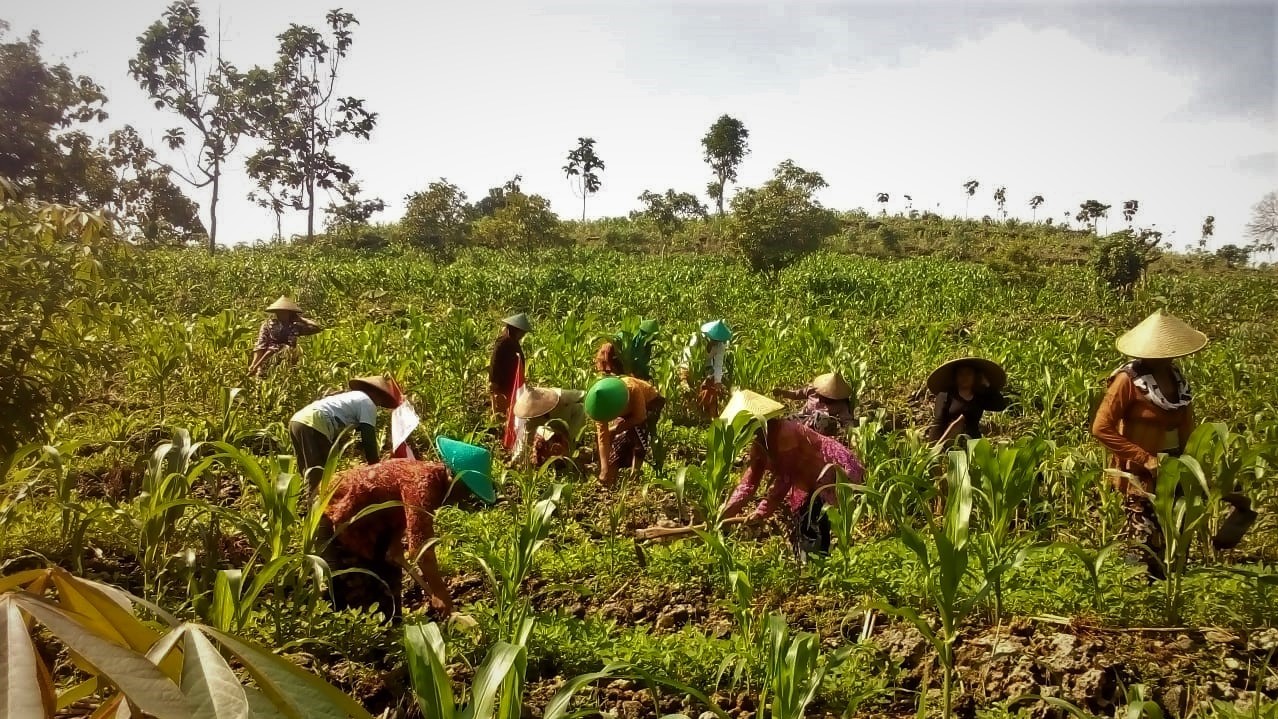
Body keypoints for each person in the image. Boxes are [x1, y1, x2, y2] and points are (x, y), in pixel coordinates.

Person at [322, 438, 496, 620]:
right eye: (465, 491)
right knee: (353, 595)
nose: (463, 499)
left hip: (371, 524)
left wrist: (395, 541)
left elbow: (398, 506)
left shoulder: (431, 479)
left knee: (389, 587)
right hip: (336, 516)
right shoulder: (424, 484)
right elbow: (422, 551)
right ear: (453, 477)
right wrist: (439, 592)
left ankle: (390, 633)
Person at [1091, 310, 1207, 577]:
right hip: (1141, 473)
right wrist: (1144, 458)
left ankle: (1171, 588)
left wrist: (1195, 464)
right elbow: (1101, 428)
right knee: (1142, 537)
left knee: (1174, 534)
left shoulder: (1177, 379)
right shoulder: (1127, 381)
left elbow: (1187, 424)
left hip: (1175, 466)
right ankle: (1136, 590)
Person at [719, 390, 864, 557]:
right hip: (808, 479)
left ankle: (819, 563)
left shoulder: (784, 433)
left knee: (814, 517)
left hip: (827, 469)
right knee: (806, 520)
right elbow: (749, 484)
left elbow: (785, 480)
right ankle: (812, 562)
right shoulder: (759, 445)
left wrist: (762, 511)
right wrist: (725, 513)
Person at [289, 375, 402, 498]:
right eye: (381, 398)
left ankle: (307, 504)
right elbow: (368, 437)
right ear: (375, 393)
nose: (380, 404)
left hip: (297, 421)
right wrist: (375, 466)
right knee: (322, 472)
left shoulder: (353, 398)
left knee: (308, 470)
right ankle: (317, 510)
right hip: (314, 423)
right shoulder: (368, 403)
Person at [585, 375, 665, 485]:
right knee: (618, 440)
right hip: (629, 412)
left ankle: (634, 475)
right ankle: (609, 476)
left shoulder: (632, 389)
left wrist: (616, 429)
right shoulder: (599, 408)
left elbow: (640, 417)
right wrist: (604, 468)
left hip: (650, 403)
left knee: (638, 430)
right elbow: (603, 438)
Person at [926, 357, 1009, 445]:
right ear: (956, 377)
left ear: (975, 376)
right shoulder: (945, 395)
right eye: (961, 374)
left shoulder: (980, 396)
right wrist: (933, 448)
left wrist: (987, 385)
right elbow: (938, 422)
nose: (965, 377)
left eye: (969, 374)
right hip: (949, 442)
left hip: (973, 442)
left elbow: (1000, 406)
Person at [511, 386, 587, 466]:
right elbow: (525, 439)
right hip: (550, 435)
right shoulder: (532, 419)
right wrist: (514, 461)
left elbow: (584, 395)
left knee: (581, 409)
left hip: (569, 424)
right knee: (540, 431)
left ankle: (573, 447)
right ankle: (553, 459)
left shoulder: (561, 395)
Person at [248, 296, 322, 376]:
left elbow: (317, 328)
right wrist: (254, 364)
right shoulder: (267, 325)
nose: (281, 314)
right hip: (269, 362)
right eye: (279, 311)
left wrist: (301, 319)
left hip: (289, 363)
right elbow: (260, 345)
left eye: (284, 312)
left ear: (290, 313)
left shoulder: (295, 327)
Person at [774, 371, 855, 438]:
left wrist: (853, 433)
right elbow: (796, 394)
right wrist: (783, 393)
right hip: (803, 418)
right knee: (784, 423)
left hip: (819, 427)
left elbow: (847, 420)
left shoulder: (840, 404)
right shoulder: (812, 391)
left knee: (824, 420)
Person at [679, 319, 734, 417]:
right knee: (686, 389)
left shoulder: (721, 345)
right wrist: (686, 376)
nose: (715, 343)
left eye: (717, 341)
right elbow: (690, 356)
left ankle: (705, 412)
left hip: (706, 365)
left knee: (710, 386)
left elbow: (718, 364)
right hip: (689, 363)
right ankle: (687, 414)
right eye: (713, 340)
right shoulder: (697, 339)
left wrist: (717, 381)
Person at [489, 313, 531, 421]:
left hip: (511, 385)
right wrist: (493, 382)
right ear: (515, 330)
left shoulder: (514, 342)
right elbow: (495, 361)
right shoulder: (503, 342)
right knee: (501, 414)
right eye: (522, 332)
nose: (523, 335)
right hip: (502, 385)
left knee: (510, 413)